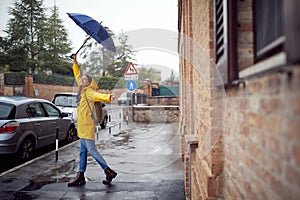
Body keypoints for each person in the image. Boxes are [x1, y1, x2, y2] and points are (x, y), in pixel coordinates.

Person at [68, 54, 117, 187]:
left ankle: (109, 172)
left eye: (84, 80)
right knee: (83, 152)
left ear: (88, 83)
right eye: (82, 80)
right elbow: (77, 75)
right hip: (82, 126)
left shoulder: (89, 92)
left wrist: (108, 97)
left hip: (87, 126)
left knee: (92, 151)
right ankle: (80, 176)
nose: (81, 81)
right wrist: (75, 62)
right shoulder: (82, 90)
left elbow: (97, 95)